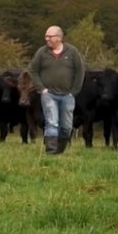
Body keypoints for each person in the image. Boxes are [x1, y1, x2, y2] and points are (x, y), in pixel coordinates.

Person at [29, 25, 85, 155]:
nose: (47, 39)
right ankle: (51, 152)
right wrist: (42, 89)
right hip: (49, 94)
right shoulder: (41, 52)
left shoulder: (72, 52)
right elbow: (34, 71)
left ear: (59, 38)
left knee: (66, 126)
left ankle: (59, 151)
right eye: (46, 36)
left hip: (67, 95)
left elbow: (80, 71)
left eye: (50, 36)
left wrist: (74, 91)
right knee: (51, 122)